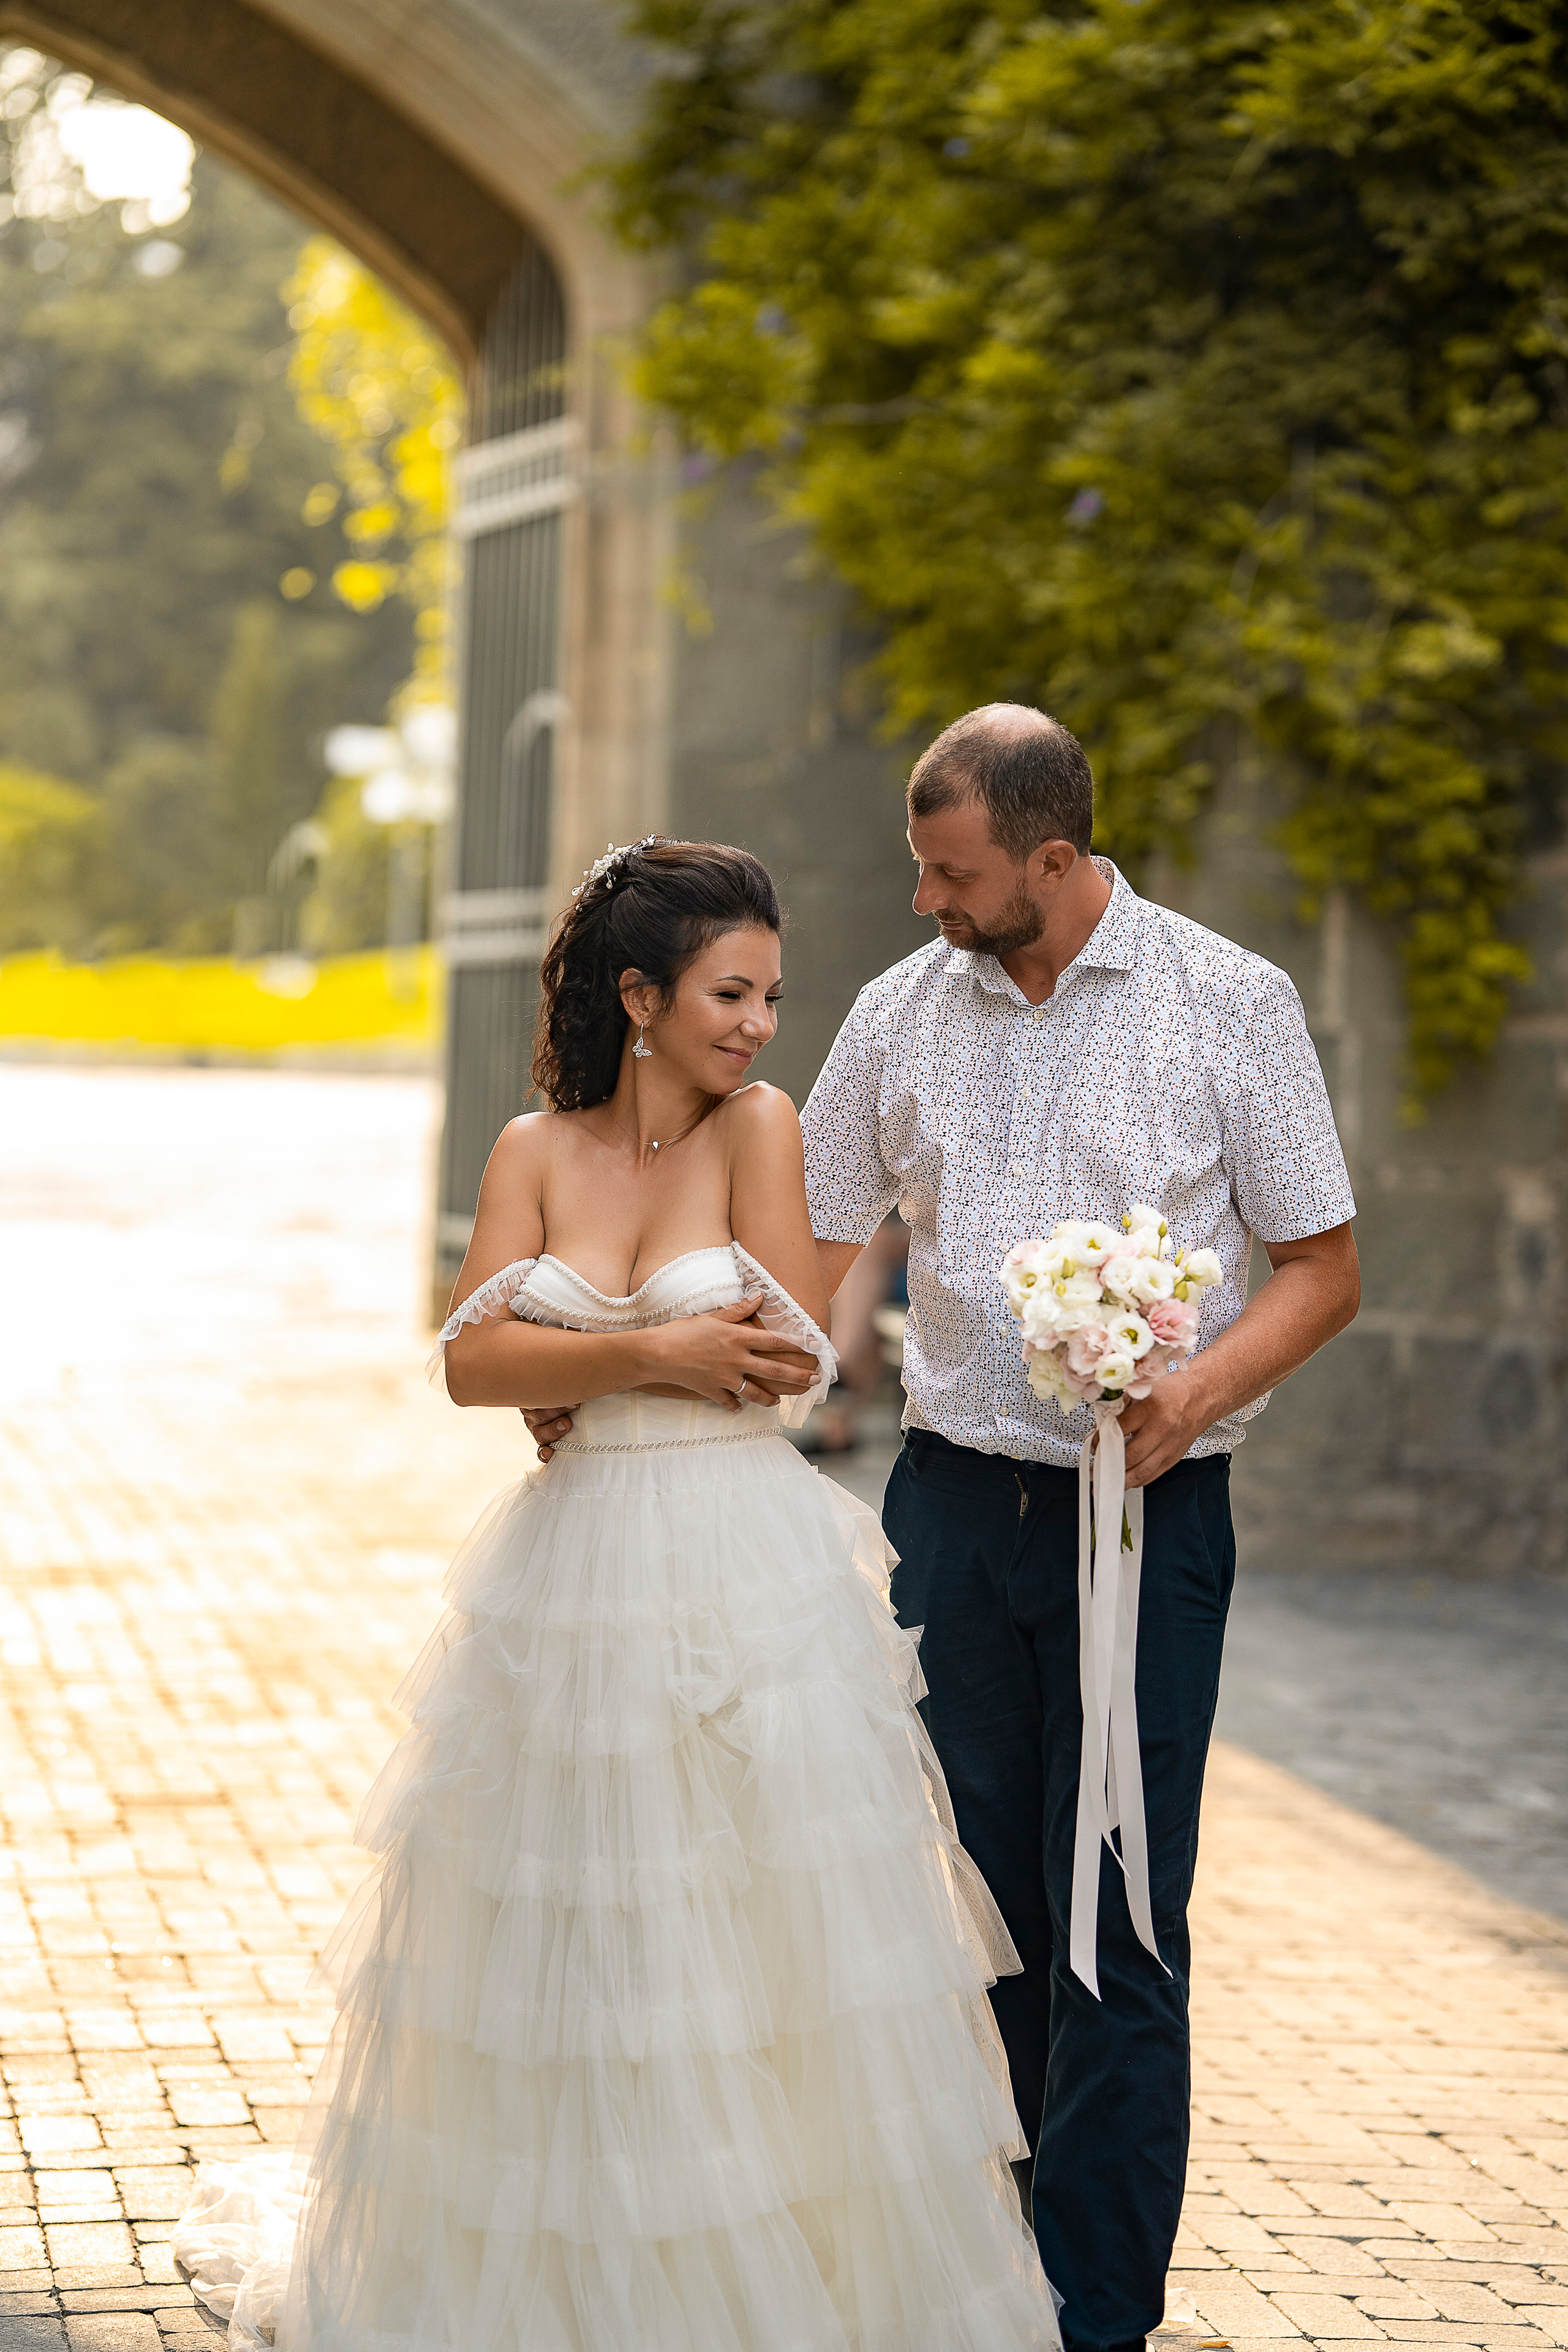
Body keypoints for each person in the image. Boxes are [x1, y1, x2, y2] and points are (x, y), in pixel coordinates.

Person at [174, 837, 1057, 2350]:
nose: (755, 1024)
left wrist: (582, 1355)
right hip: (572, 1571)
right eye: (729, 992)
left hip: (737, 1568)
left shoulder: (757, 1130)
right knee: (572, 1929)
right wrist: (646, 1352)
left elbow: (788, 1362)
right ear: (638, 996)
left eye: (769, 995)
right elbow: (469, 1364)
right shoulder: (529, 1150)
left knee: (742, 1929)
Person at [797, 706, 1361, 2352]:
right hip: (953, 1512)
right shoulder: (898, 1016)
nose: (925, 901)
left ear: (1053, 859)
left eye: (953, 873)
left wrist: (1194, 1394)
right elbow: (805, 1232)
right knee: (971, 1912)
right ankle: (977, 2293)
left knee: (1118, 1914)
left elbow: (1322, 1266)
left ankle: (1094, 2321)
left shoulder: (1229, 1005)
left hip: (1152, 1525)